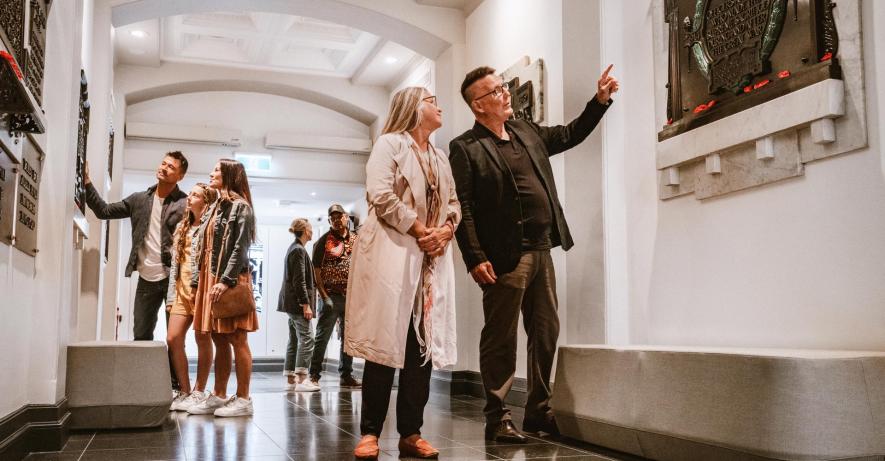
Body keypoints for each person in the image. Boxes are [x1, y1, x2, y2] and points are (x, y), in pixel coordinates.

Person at [449, 64, 619, 442]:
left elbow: (569, 134)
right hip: (504, 257)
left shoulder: (526, 131)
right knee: (501, 337)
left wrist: (599, 101)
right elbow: (462, 207)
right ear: (478, 106)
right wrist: (474, 257)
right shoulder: (466, 147)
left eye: (504, 87)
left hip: (542, 248)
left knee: (545, 331)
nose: (506, 93)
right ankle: (497, 416)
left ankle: (539, 411)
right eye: (496, 91)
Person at [345, 87, 461, 459]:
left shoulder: (440, 156)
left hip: (430, 260)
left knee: (421, 348)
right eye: (432, 99)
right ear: (413, 107)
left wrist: (445, 230)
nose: (438, 105)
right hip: (393, 256)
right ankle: (370, 433)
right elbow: (381, 195)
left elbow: (455, 203)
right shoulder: (390, 145)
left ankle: (411, 432)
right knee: (384, 345)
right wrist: (420, 229)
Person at [83, 151, 188, 392]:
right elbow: (104, 211)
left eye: (171, 167)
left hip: (174, 280)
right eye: (163, 163)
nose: (164, 168)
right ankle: (145, 384)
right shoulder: (139, 199)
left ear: (180, 175)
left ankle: (175, 387)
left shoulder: (184, 204)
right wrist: (87, 183)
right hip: (146, 279)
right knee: (141, 335)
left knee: (175, 339)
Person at [186, 159, 259, 417]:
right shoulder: (215, 206)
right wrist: (197, 282)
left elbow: (240, 248)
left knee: (238, 337)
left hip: (229, 279)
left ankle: (243, 398)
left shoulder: (241, 207)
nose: (211, 173)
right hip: (211, 278)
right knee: (218, 337)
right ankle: (218, 395)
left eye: (216, 169)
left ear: (230, 174)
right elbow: (200, 248)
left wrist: (225, 280)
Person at [166, 183, 217, 412]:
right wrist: (170, 297)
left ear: (205, 202)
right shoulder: (182, 227)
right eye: (191, 193)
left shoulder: (209, 227)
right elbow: (175, 266)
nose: (189, 197)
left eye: (195, 195)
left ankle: (199, 390)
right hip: (180, 291)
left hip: (200, 291)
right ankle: (185, 390)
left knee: (202, 339)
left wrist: (201, 290)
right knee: (173, 338)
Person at [308, 204, 361, 389]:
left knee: (348, 338)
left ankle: (346, 375)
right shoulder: (323, 241)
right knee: (323, 337)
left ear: (346, 217)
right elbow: (316, 271)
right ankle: (313, 375)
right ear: (330, 220)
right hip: (331, 296)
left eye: (340, 217)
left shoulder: (356, 239)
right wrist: (324, 296)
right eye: (333, 218)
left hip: (352, 297)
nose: (337, 220)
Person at [277, 218, 321, 392]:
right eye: (310, 229)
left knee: (294, 339)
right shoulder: (298, 251)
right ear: (305, 231)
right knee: (307, 338)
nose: (311, 232)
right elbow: (299, 280)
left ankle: (290, 376)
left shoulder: (295, 248)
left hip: (291, 303)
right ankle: (302, 379)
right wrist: (306, 304)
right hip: (297, 304)